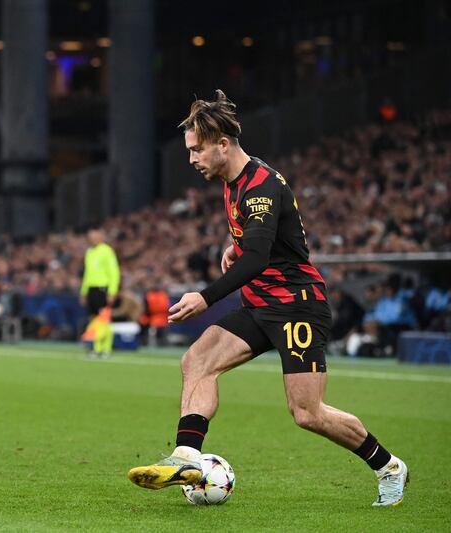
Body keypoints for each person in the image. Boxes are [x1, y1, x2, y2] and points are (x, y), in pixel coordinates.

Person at [127, 91, 408, 507]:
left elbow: (259, 257)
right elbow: (258, 242)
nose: (191, 159)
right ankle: (186, 456)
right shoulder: (232, 181)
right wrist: (234, 245)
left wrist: (206, 297)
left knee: (307, 413)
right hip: (261, 305)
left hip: (298, 305)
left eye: (196, 150)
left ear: (223, 144)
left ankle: (388, 466)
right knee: (197, 361)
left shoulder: (261, 186)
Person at [79, 229, 120, 358]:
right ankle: (96, 348)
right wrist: (84, 292)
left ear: (101, 237)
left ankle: (105, 349)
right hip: (91, 289)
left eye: (94, 236)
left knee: (104, 319)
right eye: (90, 237)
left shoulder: (107, 251)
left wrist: (112, 291)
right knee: (95, 320)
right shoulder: (89, 252)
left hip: (103, 288)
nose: (92, 239)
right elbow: (87, 274)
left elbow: (114, 272)